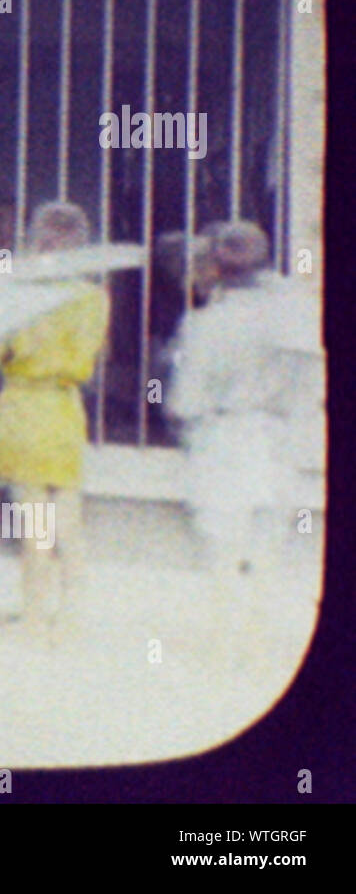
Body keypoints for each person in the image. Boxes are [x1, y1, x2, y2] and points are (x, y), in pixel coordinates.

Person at [167, 220, 294, 660]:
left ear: (217, 269)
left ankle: (222, 646)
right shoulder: (293, 315)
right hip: (278, 439)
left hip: (224, 440)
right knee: (266, 550)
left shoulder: (206, 325)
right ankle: (259, 647)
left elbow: (185, 401)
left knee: (224, 550)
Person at [0, 201, 109, 643]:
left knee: (32, 525)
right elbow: (90, 358)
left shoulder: (19, 292)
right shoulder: (93, 297)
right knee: (68, 522)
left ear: (36, 240)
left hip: (21, 407)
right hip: (65, 408)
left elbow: (0, 354)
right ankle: (72, 617)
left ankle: (34, 618)